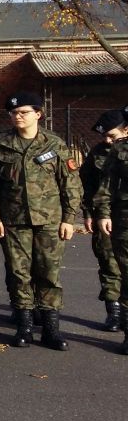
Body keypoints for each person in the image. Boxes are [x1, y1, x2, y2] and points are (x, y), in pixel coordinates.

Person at [0, 91, 81, 350]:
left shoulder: (54, 144)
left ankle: (50, 329)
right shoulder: (3, 144)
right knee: (19, 273)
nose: (18, 117)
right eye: (14, 113)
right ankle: (24, 325)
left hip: (49, 220)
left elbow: (70, 183)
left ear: (38, 114)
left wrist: (69, 218)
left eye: (24, 112)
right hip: (14, 221)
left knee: (49, 273)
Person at [83, 109, 125, 331]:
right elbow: (88, 185)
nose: (107, 140)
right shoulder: (98, 153)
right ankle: (114, 312)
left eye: (112, 135)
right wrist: (89, 214)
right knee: (109, 264)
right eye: (104, 136)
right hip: (105, 217)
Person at [92, 108, 128, 353]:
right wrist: (101, 213)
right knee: (122, 271)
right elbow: (105, 185)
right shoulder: (119, 150)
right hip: (123, 219)